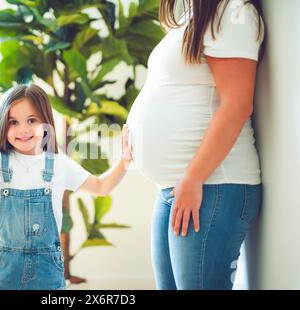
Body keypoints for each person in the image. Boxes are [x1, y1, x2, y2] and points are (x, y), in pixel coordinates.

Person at [0, 83, 133, 290]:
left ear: (46, 122)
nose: (22, 129)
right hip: (4, 271)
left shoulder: (59, 164)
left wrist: (124, 161)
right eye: (13, 122)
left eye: (31, 120)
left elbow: (101, 186)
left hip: (47, 273)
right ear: (3, 125)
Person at [126, 0, 265, 289]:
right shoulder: (191, 18)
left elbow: (237, 105)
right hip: (180, 187)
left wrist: (194, 176)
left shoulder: (233, 13)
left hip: (212, 185)